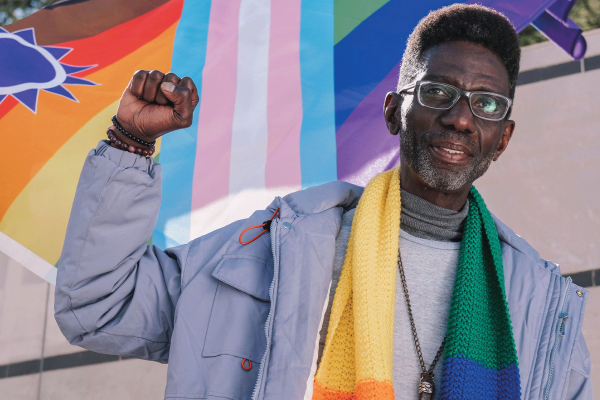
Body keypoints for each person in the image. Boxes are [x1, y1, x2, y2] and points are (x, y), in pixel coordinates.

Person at [55, 4, 592, 400]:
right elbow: (100, 308)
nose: (460, 117)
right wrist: (129, 144)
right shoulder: (273, 248)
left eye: (487, 103)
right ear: (393, 112)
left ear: (504, 137)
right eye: (436, 91)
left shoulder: (543, 308)